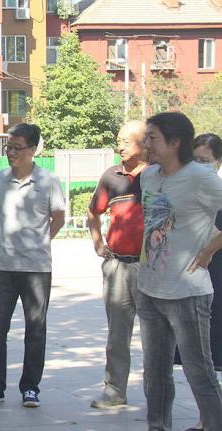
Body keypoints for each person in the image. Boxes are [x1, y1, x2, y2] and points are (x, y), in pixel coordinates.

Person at [124, 113, 222, 431]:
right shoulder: (149, 176)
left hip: (188, 292)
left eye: (152, 138)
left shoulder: (200, 177)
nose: (146, 144)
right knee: (155, 371)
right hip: (150, 288)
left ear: (175, 142)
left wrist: (209, 250)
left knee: (199, 371)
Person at [0, 123, 65, 408]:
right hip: (4, 266)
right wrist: (10, 240)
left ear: (33, 149)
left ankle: (30, 387)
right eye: (8, 147)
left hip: (37, 268)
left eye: (17, 148)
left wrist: (38, 241)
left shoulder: (48, 181)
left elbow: (58, 218)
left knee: (35, 328)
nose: (10, 152)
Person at [87, 120, 148, 409]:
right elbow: (93, 212)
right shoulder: (111, 176)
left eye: (125, 141)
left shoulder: (158, 174)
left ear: (144, 143)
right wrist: (98, 243)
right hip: (119, 267)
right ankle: (114, 391)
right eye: (118, 140)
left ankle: (157, 395)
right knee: (117, 335)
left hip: (152, 269)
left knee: (155, 337)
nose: (119, 146)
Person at [182, 133, 222, 431]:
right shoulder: (188, 189)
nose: (199, 165)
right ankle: (206, 417)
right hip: (199, 276)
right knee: (202, 349)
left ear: (218, 161)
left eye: (205, 161)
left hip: (215, 267)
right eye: (195, 159)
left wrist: (209, 249)